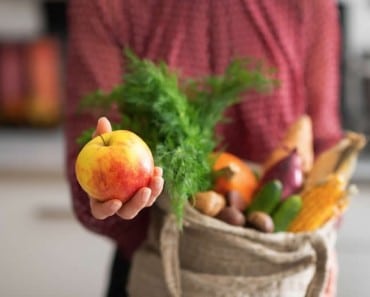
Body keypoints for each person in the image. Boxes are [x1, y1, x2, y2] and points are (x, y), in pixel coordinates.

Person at [65, 1, 343, 296]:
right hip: (161, 264)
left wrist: (323, 240)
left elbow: (325, 142)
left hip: (280, 270)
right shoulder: (104, 6)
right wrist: (109, 195)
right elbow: (91, 138)